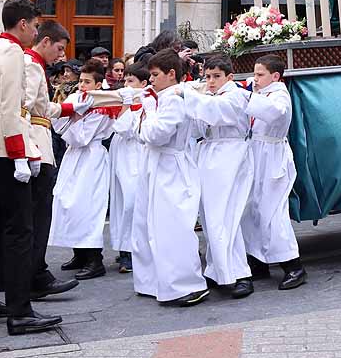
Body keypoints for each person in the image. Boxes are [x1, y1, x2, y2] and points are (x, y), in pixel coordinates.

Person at [0, 0, 69, 335]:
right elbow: (14, 109)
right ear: (24, 24)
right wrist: (21, 155)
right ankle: (19, 310)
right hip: (7, 143)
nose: (36, 32)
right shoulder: (13, 55)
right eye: (35, 26)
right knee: (20, 229)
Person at [130, 49, 209, 306]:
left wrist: (146, 117)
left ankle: (184, 284)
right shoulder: (158, 98)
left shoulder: (174, 99)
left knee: (171, 227)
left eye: (155, 74)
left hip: (171, 166)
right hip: (155, 164)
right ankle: (152, 280)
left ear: (171, 74)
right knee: (146, 223)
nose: (150, 79)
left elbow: (157, 134)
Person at [183, 56, 255, 298]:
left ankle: (241, 273)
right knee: (211, 218)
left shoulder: (234, 95)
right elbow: (199, 127)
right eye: (208, 76)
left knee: (227, 217)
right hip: (211, 156)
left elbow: (215, 112)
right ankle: (218, 270)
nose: (211, 81)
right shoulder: (210, 97)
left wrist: (185, 93)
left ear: (229, 77)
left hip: (230, 156)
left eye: (216, 76)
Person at [23, 22, 83, 299]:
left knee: (33, 214)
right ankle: (34, 273)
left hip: (34, 137)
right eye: (58, 49)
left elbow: (40, 106)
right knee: (37, 214)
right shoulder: (31, 65)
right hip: (35, 141)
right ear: (45, 41)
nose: (60, 56)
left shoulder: (30, 63)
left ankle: (27, 272)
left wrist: (69, 108)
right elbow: (27, 108)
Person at [241, 54, 307, 288]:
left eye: (260, 75)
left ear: (275, 76)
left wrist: (247, 95)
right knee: (253, 210)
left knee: (272, 213)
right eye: (255, 73)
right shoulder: (261, 92)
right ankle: (258, 261)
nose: (255, 79)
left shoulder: (280, 95)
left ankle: (294, 266)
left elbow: (275, 113)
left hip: (272, 155)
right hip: (256, 154)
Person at [50, 61, 115, 280]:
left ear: (99, 84)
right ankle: (78, 253)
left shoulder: (103, 104)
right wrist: (70, 117)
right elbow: (57, 125)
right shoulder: (75, 99)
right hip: (73, 157)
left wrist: (74, 120)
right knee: (66, 201)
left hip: (91, 157)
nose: (82, 86)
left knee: (87, 205)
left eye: (87, 82)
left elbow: (83, 137)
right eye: (80, 81)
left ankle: (94, 259)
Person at [109, 64, 149, 274]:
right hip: (124, 154)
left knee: (135, 201)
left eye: (131, 81)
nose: (126, 85)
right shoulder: (125, 103)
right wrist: (126, 104)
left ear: (143, 84)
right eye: (124, 81)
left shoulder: (147, 103)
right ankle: (125, 249)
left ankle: (137, 247)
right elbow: (121, 128)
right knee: (124, 202)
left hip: (139, 152)